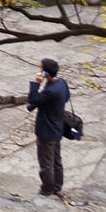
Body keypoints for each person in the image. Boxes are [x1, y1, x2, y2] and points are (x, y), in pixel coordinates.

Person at [27, 57, 69, 197]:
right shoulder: (62, 83)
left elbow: (33, 99)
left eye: (40, 68)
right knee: (56, 159)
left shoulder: (50, 91)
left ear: (45, 73)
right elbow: (66, 98)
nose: (38, 70)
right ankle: (57, 185)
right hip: (57, 127)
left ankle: (47, 189)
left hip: (47, 130)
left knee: (46, 163)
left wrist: (36, 83)